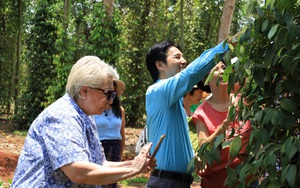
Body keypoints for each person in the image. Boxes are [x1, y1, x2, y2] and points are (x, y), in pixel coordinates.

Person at [11, 56, 156, 187]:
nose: (111, 101)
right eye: (108, 94)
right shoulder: (62, 116)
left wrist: (135, 164)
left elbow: (100, 164)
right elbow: (78, 172)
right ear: (84, 91)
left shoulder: (86, 117)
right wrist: (133, 169)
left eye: (113, 95)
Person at [145, 36, 238, 188]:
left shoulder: (174, 101)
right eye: (177, 57)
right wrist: (225, 46)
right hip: (166, 183)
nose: (184, 61)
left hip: (177, 182)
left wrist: (192, 158)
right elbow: (192, 73)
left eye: (183, 56)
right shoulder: (158, 91)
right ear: (160, 64)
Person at [192, 61, 254, 188]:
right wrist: (225, 124)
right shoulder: (201, 112)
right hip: (217, 182)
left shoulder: (244, 102)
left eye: (224, 67)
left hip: (248, 180)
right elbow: (204, 148)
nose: (222, 72)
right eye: (216, 69)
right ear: (205, 79)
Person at [93, 80, 126, 188]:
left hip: (115, 146)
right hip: (99, 146)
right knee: (99, 179)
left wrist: (120, 153)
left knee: (112, 181)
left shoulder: (120, 110)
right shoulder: (95, 109)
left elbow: (122, 134)